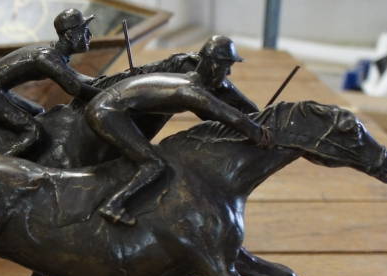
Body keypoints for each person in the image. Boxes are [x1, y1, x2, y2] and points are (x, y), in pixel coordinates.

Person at [86, 35, 271, 225]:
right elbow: (226, 114)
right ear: (214, 66)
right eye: (227, 66)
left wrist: (259, 117)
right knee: (153, 164)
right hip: (107, 112)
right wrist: (258, 133)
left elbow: (230, 110)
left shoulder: (191, 80)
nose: (229, 72)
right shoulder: (190, 91)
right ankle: (113, 205)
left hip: (112, 108)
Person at [0, 8, 103, 157]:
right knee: (33, 132)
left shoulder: (54, 54)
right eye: (84, 31)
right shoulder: (46, 58)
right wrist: (110, 94)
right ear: (69, 35)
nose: (89, 35)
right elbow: (75, 87)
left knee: (38, 112)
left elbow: (75, 76)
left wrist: (103, 81)